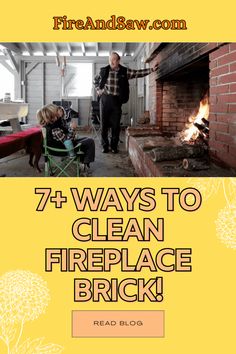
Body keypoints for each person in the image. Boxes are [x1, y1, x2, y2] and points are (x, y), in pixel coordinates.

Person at [94, 52, 158, 153]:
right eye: (110, 59)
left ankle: (114, 146)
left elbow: (138, 73)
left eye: (114, 59)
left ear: (118, 60)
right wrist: (98, 90)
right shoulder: (104, 70)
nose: (111, 61)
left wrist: (151, 70)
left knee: (116, 125)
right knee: (104, 125)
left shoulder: (124, 71)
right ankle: (105, 146)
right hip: (105, 100)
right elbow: (95, 80)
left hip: (116, 101)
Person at [37, 104, 95, 168]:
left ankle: (84, 161)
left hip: (63, 146)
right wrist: (72, 129)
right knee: (90, 141)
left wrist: (71, 130)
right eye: (57, 111)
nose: (58, 113)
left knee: (87, 139)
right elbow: (67, 140)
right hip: (64, 149)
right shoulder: (54, 129)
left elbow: (65, 135)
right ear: (52, 115)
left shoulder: (54, 124)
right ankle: (84, 162)